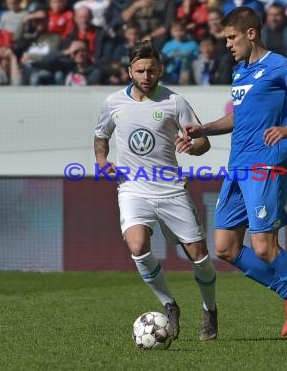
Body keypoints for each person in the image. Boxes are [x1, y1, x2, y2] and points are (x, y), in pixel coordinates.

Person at [184, 6, 287, 352]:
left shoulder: (281, 66)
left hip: (265, 167)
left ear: (251, 34)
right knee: (225, 247)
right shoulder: (240, 72)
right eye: (225, 39)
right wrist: (203, 128)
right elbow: (239, 117)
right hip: (237, 167)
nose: (227, 45)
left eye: (231, 38)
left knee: (265, 247)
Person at [93, 40, 218, 341]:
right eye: (140, 71)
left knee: (199, 256)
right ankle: (169, 305)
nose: (146, 76)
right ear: (129, 71)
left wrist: (193, 144)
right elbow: (101, 136)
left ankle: (210, 310)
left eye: (151, 70)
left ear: (160, 69)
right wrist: (101, 161)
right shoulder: (113, 103)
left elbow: (203, 142)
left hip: (171, 189)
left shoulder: (175, 102)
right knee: (137, 247)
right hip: (133, 189)